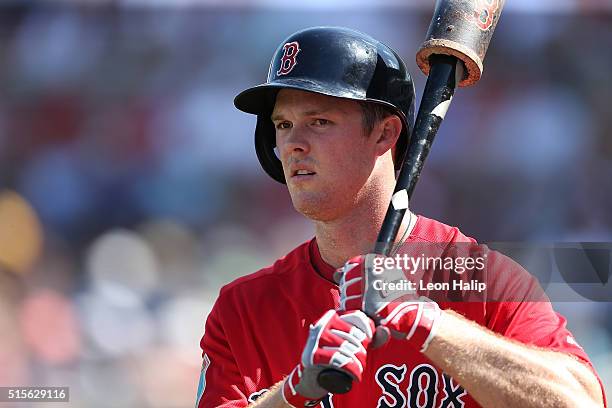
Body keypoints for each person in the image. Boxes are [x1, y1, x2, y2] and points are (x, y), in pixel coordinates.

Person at [196, 26, 607, 408]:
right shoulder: (244, 309)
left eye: (319, 122)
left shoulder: (479, 278)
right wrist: (292, 393)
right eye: (283, 124)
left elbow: (583, 401)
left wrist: (428, 322)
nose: (293, 144)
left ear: (385, 134)